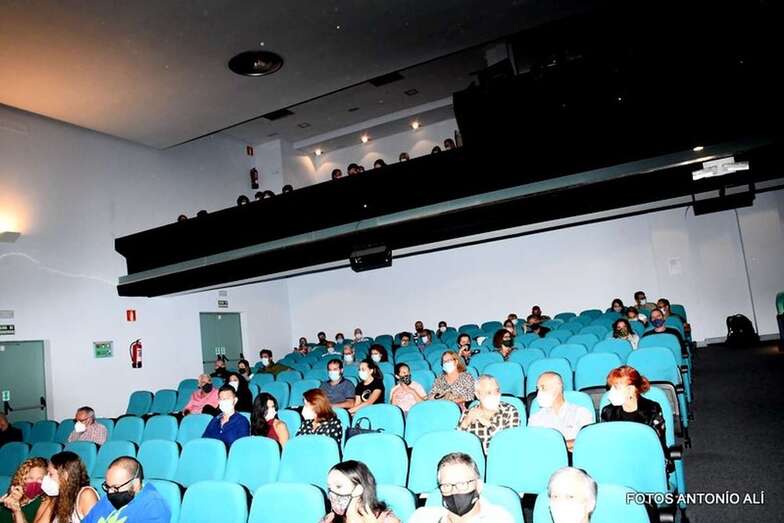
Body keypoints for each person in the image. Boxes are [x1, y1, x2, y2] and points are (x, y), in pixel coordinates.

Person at [409, 453, 513, 523]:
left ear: (479, 486)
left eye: (462, 484)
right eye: (446, 485)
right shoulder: (422, 517)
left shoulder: (499, 518)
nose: (454, 491)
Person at [600, 366, 669, 462]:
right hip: (618, 460)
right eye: (610, 388)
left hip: (647, 459)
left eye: (615, 388)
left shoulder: (652, 410)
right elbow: (607, 445)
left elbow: (657, 447)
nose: (610, 393)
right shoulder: (607, 412)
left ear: (631, 390)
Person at [83, 457, 169, 523]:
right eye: (108, 487)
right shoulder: (107, 500)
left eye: (115, 488)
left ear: (135, 484)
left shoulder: (152, 504)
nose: (110, 492)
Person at [528, 373, 593, 452]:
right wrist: (569, 444)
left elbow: (586, 441)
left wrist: (551, 445)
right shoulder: (535, 418)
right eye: (538, 389)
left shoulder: (582, 413)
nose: (539, 393)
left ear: (558, 388)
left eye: (543, 388)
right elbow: (535, 444)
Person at [29, 451, 98, 523]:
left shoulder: (86, 494)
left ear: (65, 475)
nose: (47, 478)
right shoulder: (59, 497)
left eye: (51, 474)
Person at [321, 460, 400, 523]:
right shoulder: (330, 519)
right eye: (329, 488)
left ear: (358, 489)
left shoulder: (386, 519)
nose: (331, 494)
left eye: (338, 486)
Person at [459, 376, 520, 453]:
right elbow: (457, 443)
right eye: (489, 392)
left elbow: (509, 442)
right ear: (478, 395)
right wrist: (465, 422)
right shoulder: (469, 413)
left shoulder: (510, 411)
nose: (495, 395)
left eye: (497, 391)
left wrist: (488, 424)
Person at [0, 457, 47, 523]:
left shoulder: (43, 502)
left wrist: (17, 510)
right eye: (30, 478)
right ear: (22, 478)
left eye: (40, 479)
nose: (35, 482)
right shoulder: (12, 493)